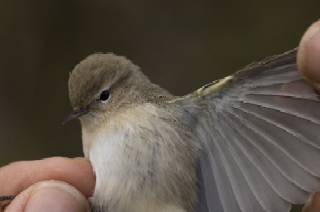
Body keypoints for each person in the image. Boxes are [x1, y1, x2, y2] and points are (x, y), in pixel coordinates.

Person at [1, 20, 320, 212]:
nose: (85, 114)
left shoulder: (171, 116)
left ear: (124, 87)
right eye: (80, 109)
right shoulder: (91, 134)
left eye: (103, 99)